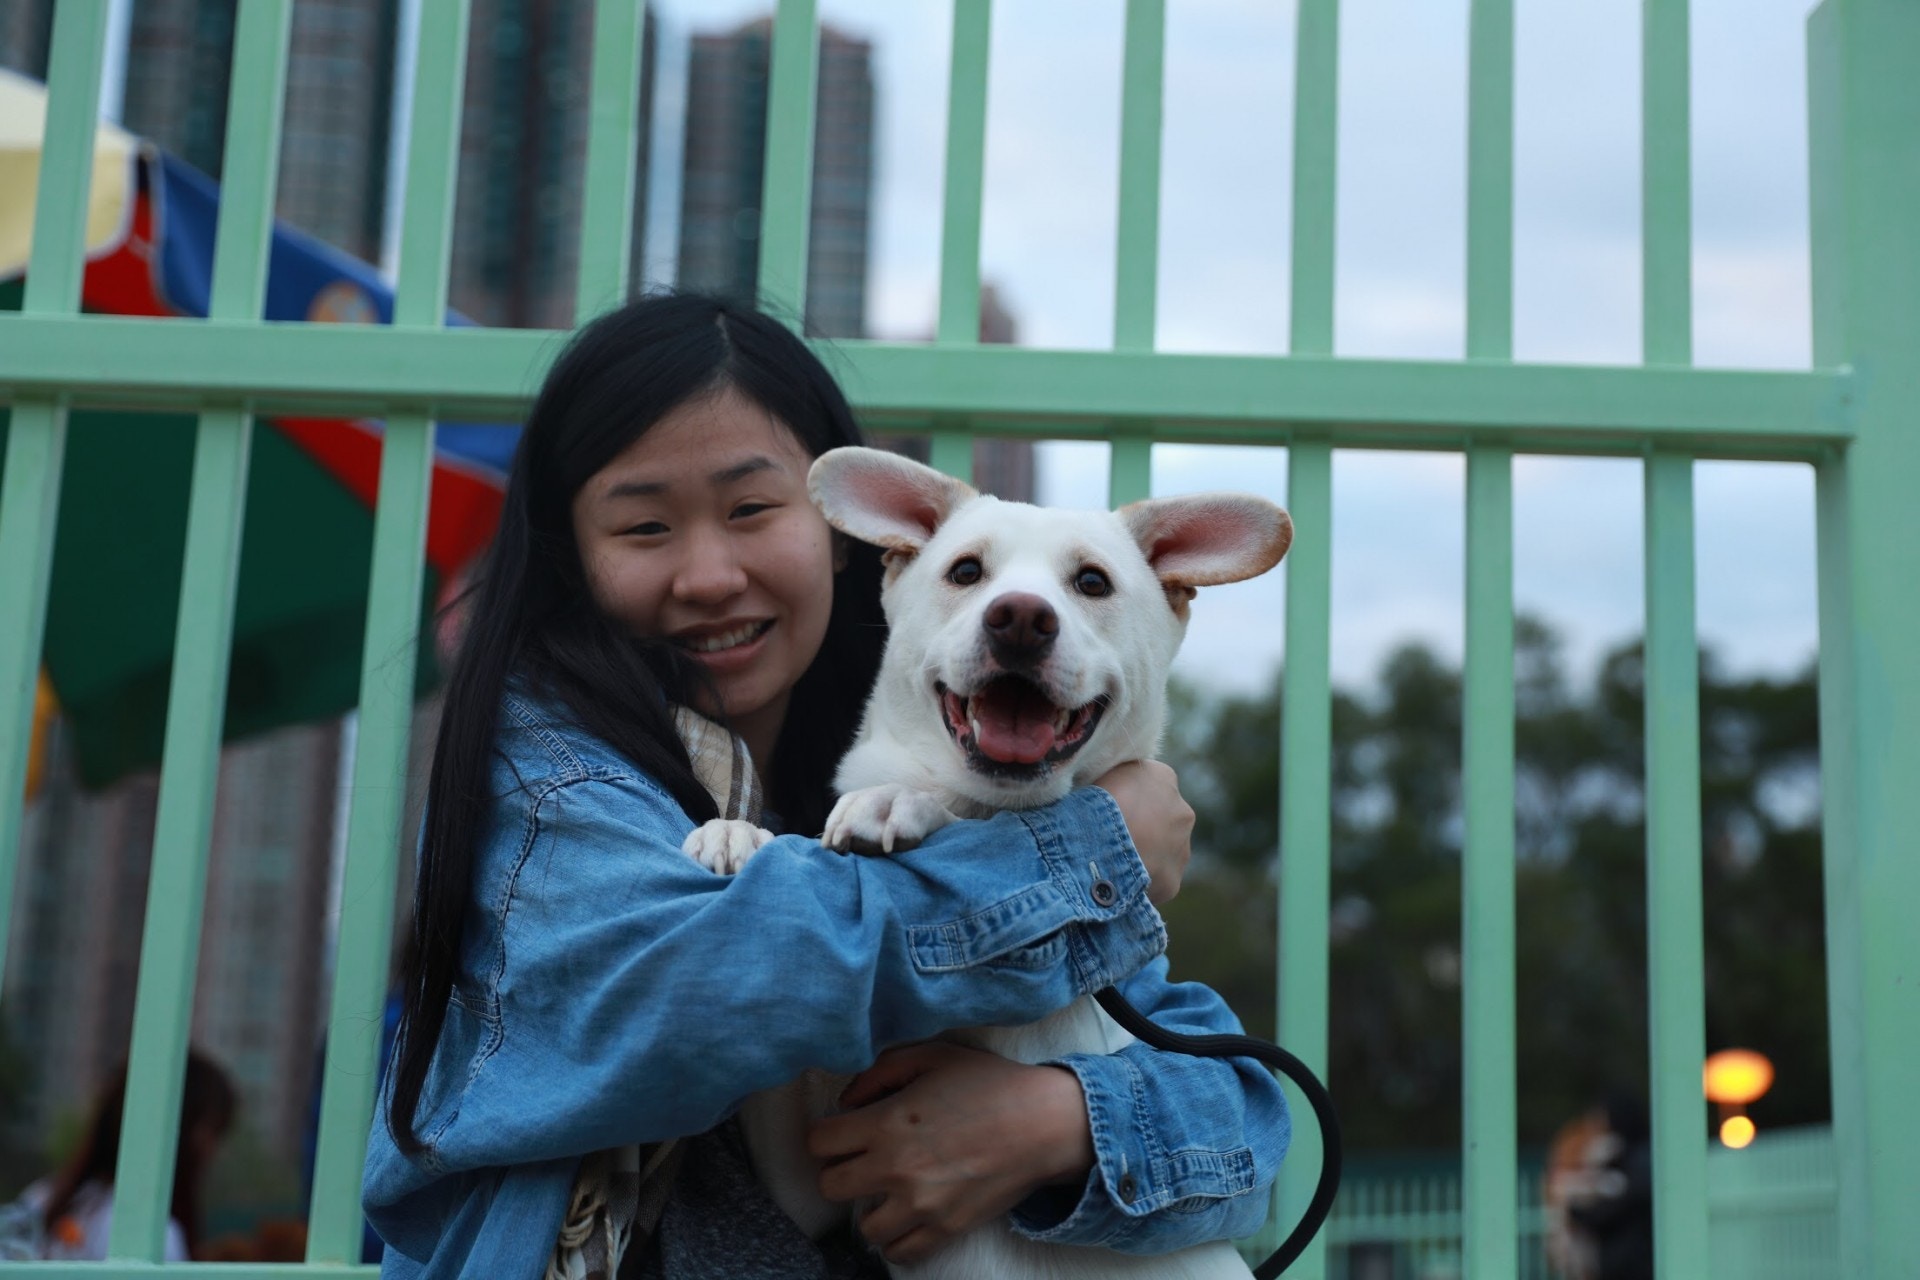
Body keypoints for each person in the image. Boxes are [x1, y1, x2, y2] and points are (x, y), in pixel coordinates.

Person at [361, 293, 1291, 1278]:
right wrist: (1091, 859)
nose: (711, 574)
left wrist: (1051, 1120)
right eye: (643, 527)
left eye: (753, 508)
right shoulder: (548, 777)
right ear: (570, 558)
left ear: (853, 535)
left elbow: (1244, 1121)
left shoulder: (915, 773)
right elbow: (695, 987)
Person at [5, 1048, 235, 1261]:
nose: (212, 1152)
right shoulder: (153, 1238)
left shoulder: (40, 1199)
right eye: (211, 1132)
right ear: (177, 1129)